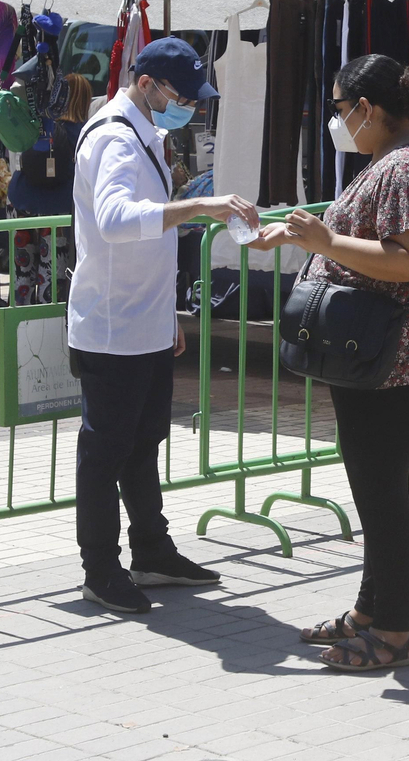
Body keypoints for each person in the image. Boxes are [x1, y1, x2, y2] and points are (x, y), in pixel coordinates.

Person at [250, 53, 409, 671]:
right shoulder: (388, 162)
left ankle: (392, 631)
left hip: (395, 360)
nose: (336, 120)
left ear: (368, 109)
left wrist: (325, 242)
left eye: (340, 109)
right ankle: (370, 609)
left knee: (383, 498)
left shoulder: (407, 168)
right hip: (376, 356)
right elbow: (361, 237)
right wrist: (302, 234)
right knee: (373, 494)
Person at [69, 37, 260, 615]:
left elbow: (146, 241)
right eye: (183, 96)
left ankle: (151, 551)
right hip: (112, 328)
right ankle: (99, 568)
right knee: (106, 455)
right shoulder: (115, 140)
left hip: (142, 322)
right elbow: (115, 220)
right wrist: (200, 207)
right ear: (148, 84)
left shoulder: (143, 130)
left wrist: (168, 311)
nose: (192, 109)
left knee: (143, 446)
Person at [10, 73, 90, 306]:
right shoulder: (85, 133)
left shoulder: (39, 126)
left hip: (21, 201)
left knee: (21, 271)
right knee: (52, 272)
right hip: (58, 209)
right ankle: (47, 330)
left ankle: (18, 327)